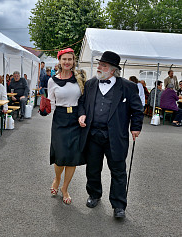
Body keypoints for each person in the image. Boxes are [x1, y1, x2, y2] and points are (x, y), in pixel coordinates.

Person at [78, 51, 144, 219]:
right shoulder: (91, 84)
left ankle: (119, 204)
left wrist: (136, 127)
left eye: (103, 65)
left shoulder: (128, 87)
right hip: (93, 134)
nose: (99, 67)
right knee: (93, 168)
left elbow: (137, 110)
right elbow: (82, 103)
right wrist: (82, 114)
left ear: (113, 70)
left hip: (115, 136)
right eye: (99, 64)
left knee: (118, 171)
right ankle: (94, 194)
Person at [48, 48, 86, 205]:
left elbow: (84, 100)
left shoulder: (80, 78)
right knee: (61, 155)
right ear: (59, 61)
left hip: (76, 119)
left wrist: (82, 115)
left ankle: (65, 188)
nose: (67, 62)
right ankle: (57, 178)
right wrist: (45, 110)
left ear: (73, 61)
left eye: (70, 59)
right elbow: (50, 103)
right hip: (60, 119)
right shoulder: (52, 81)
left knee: (72, 157)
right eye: (64, 59)